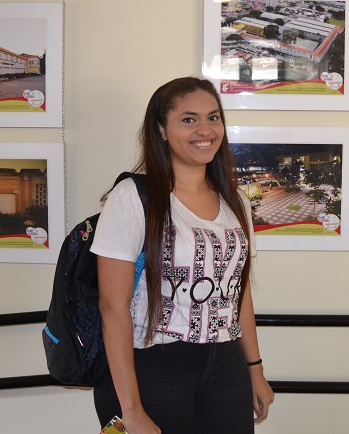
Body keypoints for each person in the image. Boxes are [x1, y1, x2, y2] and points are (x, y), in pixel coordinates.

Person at [91, 77, 274, 433]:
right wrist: (130, 409)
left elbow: (239, 293)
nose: (204, 130)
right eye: (188, 119)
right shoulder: (132, 197)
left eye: (213, 117)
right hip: (155, 366)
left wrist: (255, 370)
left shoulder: (235, 202)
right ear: (161, 129)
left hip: (226, 364)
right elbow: (113, 307)